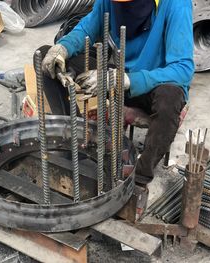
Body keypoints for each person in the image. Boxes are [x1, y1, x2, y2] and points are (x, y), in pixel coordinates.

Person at [38, 0, 194, 188]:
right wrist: (63, 48)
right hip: (116, 77)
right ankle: (74, 138)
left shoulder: (176, 4)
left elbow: (183, 69)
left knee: (170, 100)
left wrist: (127, 80)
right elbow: (87, 29)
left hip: (152, 85)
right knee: (46, 58)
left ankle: (138, 179)